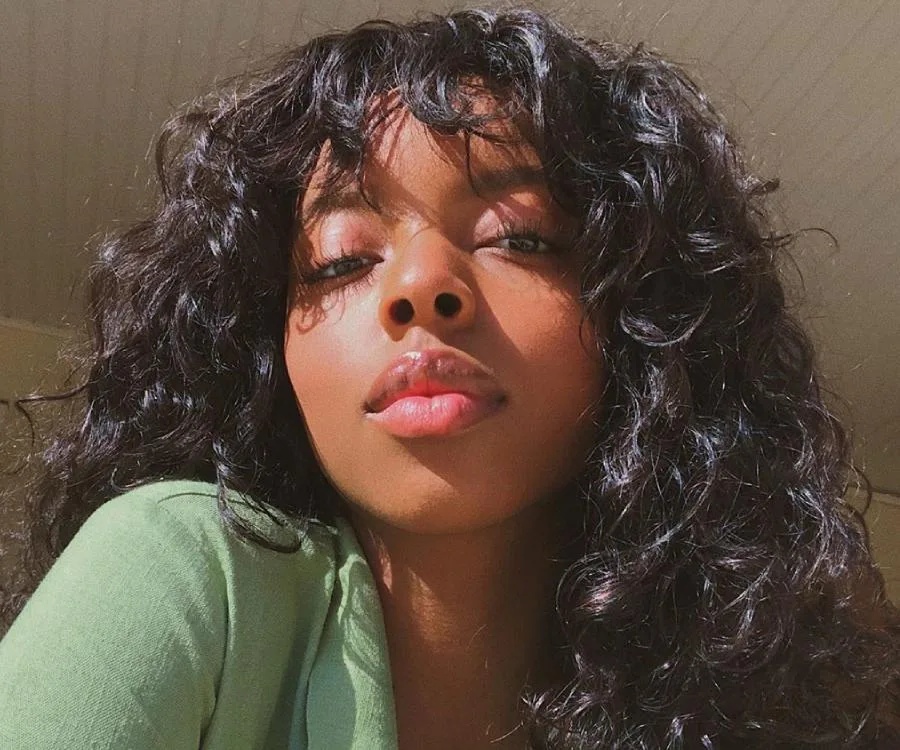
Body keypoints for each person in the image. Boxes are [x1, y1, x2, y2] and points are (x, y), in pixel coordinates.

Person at [0, 7, 897, 749]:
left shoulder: (730, 707)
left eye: (520, 235)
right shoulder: (182, 568)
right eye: (342, 260)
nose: (419, 288)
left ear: (647, 325)